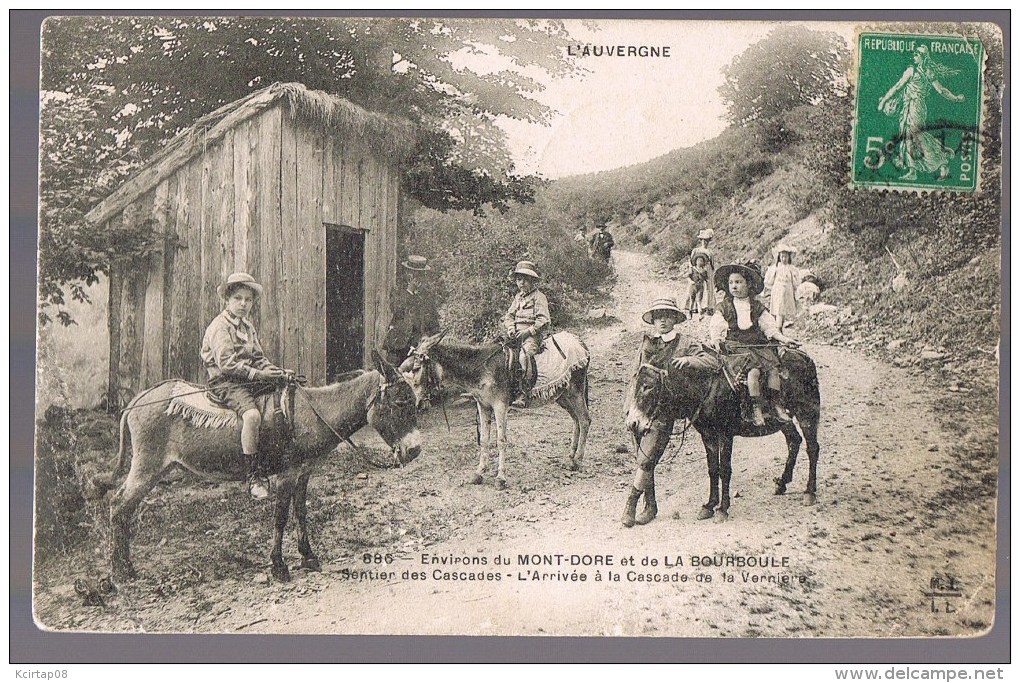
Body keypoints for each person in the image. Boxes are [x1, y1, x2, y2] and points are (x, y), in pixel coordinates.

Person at [202, 272, 294, 500]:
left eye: (248, 300)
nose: (243, 304)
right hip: (224, 381)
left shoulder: (247, 327)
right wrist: (259, 374)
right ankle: (252, 476)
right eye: (238, 298)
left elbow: (258, 357)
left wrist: (276, 372)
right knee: (252, 415)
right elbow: (227, 364)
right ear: (227, 300)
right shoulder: (220, 327)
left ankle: (276, 458)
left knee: (281, 396)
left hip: (247, 378)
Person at [708, 262, 800, 428]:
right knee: (754, 372)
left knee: (773, 370)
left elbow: (769, 328)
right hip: (737, 348)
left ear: (748, 284)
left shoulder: (757, 307)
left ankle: (776, 404)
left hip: (758, 346)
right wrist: (716, 340)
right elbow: (716, 326)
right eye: (731, 283)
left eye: (738, 282)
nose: (734, 286)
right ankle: (756, 408)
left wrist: (784, 339)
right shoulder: (725, 307)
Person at [878, 45, 965, 182]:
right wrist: (955, 98)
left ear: (923, 57)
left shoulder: (913, 71)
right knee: (911, 136)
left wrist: (883, 101)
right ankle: (915, 169)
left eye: (917, 53)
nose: (914, 55)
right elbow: (940, 90)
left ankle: (941, 161)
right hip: (912, 106)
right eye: (915, 52)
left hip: (915, 107)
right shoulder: (925, 71)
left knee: (916, 136)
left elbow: (898, 87)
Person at [502, 260, 550, 408]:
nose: (521, 283)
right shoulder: (518, 298)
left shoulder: (538, 297)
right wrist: (511, 329)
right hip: (515, 334)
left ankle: (524, 392)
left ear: (532, 281)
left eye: (525, 279)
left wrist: (527, 332)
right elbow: (509, 316)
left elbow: (544, 319)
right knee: (499, 353)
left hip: (531, 335)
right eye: (518, 279)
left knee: (524, 356)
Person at [382, 255, 442, 367]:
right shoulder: (398, 292)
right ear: (409, 275)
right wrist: (410, 290)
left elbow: (434, 325)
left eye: (421, 275)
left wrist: (429, 338)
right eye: (415, 275)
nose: (418, 279)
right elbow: (397, 310)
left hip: (418, 348)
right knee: (392, 378)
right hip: (398, 346)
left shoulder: (427, 298)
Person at [764, 244, 804, 332]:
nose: (784, 259)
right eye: (782, 257)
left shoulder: (791, 268)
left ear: (789, 257)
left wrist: (795, 290)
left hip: (787, 291)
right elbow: (769, 280)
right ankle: (777, 329)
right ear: (779, 257)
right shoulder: (776, 267)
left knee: (783, 311)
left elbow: (796, 281)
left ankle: (779, 328)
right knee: (778, 310)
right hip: (778, 290)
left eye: (785, 257)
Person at [641, 297, 689, 367]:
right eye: (658, 316)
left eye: (667, 315)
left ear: (674, 319)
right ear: (653, 320)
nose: (663, 320)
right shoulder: (648, 342)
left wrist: (688, 360)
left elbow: (709, 359)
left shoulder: (685, 341)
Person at [690, 228, 717, 313]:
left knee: (710, 287)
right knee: (695, 286)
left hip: (707, 268)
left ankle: (710, 307)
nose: (705, 242)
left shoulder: (710, 252)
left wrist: (711, 272)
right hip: (697, 268)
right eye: (703, 240)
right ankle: (693, 307)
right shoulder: (696, 250)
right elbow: (691, 261)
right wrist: (692, 270)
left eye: (707, 240)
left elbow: (712, 263)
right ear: (700, 240)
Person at [685, 250, 711, 317]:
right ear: (695, 262)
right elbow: (687, 276)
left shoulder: (704, 271)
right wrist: (690, 281)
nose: (700, 262)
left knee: (699, 300)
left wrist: (708, 285)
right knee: (692, 300)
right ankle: (690, 313)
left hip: (700, 286)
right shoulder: (692, 269)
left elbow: (706, 279)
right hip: (693, 286)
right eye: (698, 260)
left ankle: (700, 314)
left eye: (701, 261)